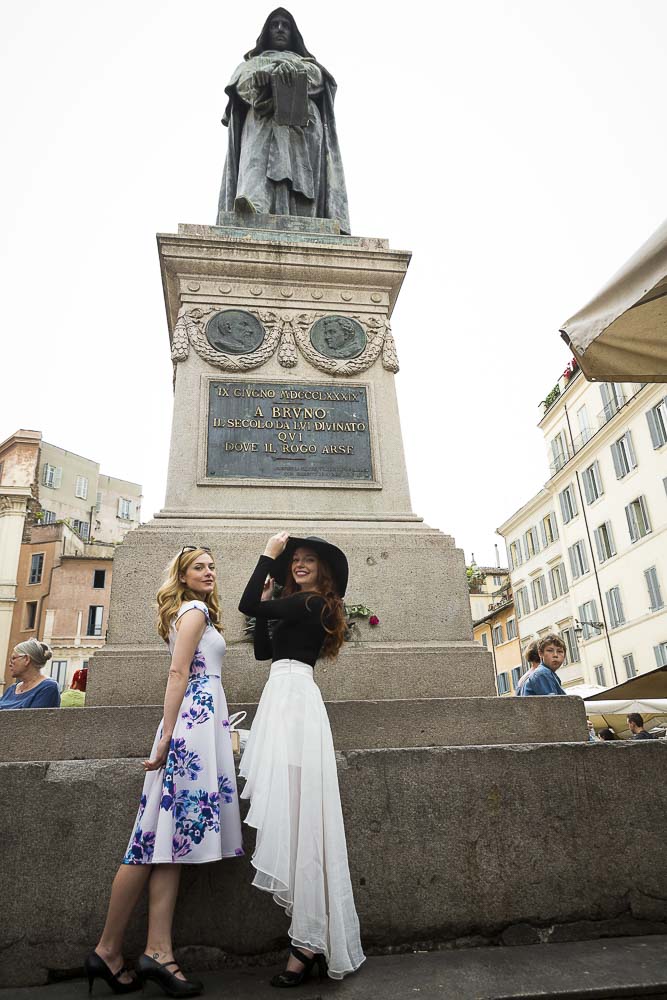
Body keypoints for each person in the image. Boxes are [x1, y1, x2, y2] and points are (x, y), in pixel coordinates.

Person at [85, 547, 243, 997]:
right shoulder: (193, 611)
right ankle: (109, 949)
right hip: (189, 727)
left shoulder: (195, 612)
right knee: (149, 837)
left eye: (213, 566)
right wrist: (169, 734)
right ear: (182, 574)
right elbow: (178, 674)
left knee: (164, 840)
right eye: (199, 567)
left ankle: (155, 950)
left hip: (196, 723)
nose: (209, 572)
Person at [238, 532, 365, 986]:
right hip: (281, 694)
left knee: (304, 812)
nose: (299, 564)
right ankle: (307, 935)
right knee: (291, 808)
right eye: (294, 560)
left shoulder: (312, 604)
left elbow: (245, 604)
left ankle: (308, 941)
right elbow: (263, 651)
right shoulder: (294, 606)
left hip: (295, 702)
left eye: (308, 560)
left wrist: (268, 556)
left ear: (323, 572)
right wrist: (272, 595)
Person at [218, 8, 350, 233]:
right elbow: (240, 85)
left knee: (300, 172)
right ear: (266, 32)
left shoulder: (306, 62)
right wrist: (265, 77)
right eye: (275, 25)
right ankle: (253, 205)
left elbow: (319, 80)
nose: (280, 29)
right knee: (256, 161)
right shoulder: (253, 63)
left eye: (285, 25)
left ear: (293, 33)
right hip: (262, 122)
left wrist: (293, 70)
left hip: (302, 126)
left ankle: (305, 216)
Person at [0, 639, 59, 709]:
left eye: (13, 658)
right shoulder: (11, 689)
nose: (10, 664)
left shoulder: (48, 687)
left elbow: (35, 718)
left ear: (26, 659)